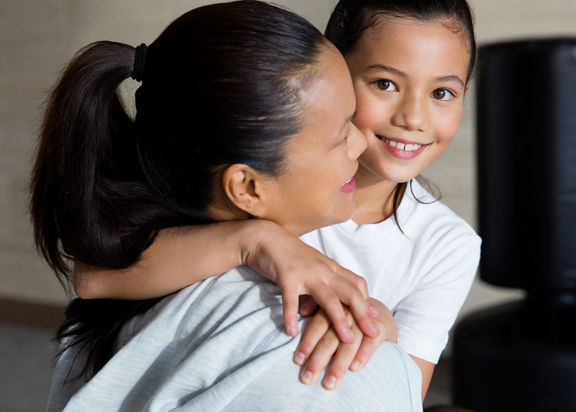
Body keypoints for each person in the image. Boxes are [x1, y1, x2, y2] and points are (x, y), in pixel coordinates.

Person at [72, 0, 480, 398]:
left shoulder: (448, 246)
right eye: (385, 84)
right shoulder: (269, 175)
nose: (413, 117)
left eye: (442, 93)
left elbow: (405, 393)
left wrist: (381, 322)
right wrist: (255, 240)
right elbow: (95, 275)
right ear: (336, 71)